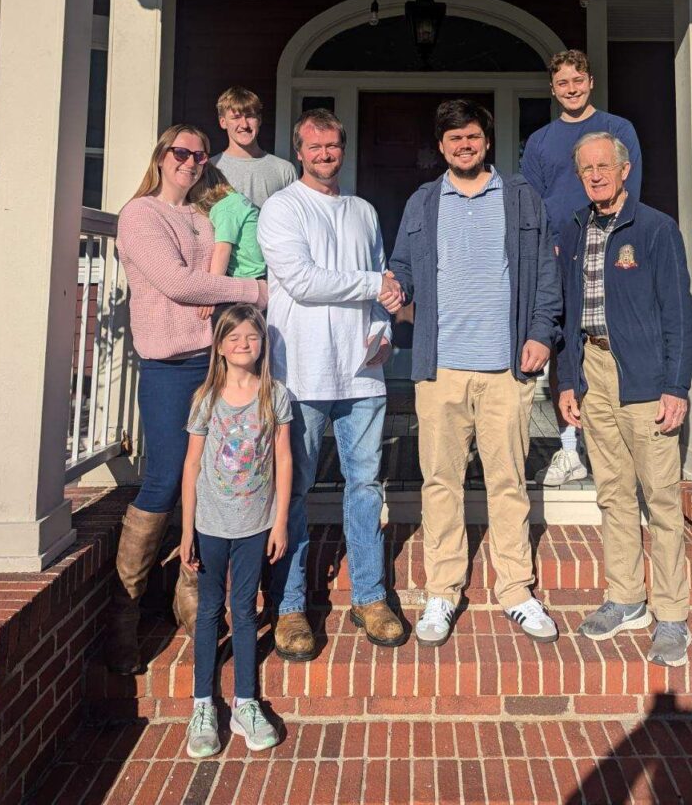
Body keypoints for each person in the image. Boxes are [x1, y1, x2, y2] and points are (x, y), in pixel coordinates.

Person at [390, 99, 562, 647]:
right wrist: (398, 294)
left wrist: (540, 334)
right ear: (441, 148)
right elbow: (402, 269)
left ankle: (515, 589)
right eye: (453, 140)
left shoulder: (519, 198)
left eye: (471, 137)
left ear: (486, 141)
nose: (463, 146)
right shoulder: (422, 203)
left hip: (504, 369)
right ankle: (443, 588)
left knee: (507, 481)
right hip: (439, 368)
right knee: (440, 482)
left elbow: (545, 274)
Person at [109, 126, 269, 675]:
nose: (191, 162)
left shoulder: (203, 215)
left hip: (217, 363)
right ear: (161, 155)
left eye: (200, 156)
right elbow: (180, 284)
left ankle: (188, 592)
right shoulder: (140, 216)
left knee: (211, 476)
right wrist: (255, 292)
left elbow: (217, 272)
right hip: (170, 365)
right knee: (164, 474)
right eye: (181, 152)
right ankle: (124, 616)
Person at [257, 109, 405, 658]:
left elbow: (383, 281)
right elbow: (300, 281)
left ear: (343, 147)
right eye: (314, 146)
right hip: (301, 373)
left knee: (365, 490)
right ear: (300, 151)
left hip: (363, 375)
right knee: (292, 493)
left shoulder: (363, 211)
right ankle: (291, 605)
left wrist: (383, 330)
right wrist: (375, 285)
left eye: (332, 145)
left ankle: (369, 596)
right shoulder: (282, 208)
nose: (324, 154)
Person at [557, 132, 692, 667]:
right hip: (593, 369)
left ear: (624, 170)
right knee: (612, 492)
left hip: (644, 376)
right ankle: (625, 597)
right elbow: (569, 314)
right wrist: (568, 380)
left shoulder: (656, 229)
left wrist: (675, 386)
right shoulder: (576, 230)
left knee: (659, 496)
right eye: (585, 168)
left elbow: (679, 314)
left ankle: (673, 615)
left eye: (602, 166)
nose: (594, 175)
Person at [521, 49, 643, 488]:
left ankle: (616, 443)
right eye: (562, 83)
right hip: (556, 254)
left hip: (603, 251)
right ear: (553, 89)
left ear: (590, 82)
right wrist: (542, 249)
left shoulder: (616, 129)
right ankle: (569, 448)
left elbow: (632, 193)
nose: (571, 88)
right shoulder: (539, 141)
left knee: (609, 340)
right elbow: (531, 203)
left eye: (578, 80)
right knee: (562, 346)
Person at [180, 305, 292, 759]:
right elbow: (191, 466)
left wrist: (280, 520)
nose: (244, 344)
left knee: (244, 610)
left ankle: (245, 702)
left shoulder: (275, 395)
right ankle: (203, 705)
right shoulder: (206, 398)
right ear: (220, 345)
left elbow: (284, 461)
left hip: (255, 525)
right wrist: (185, 529)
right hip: (210, 524)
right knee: (210, 610)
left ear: (262, 343)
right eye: (234, 337)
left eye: (252, 336)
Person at [210, 86, 297, 208]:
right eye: (236, 117)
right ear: (223, 122)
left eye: (250, 116)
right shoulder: (211, 168)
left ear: (259, 120)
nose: (244, 124)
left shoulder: (284, 170)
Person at [192, 166, 267, 285]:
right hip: (262, 274)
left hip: (247, 278)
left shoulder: (224, 208)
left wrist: (212, 290)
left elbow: (222, 250)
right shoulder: (237, 199)